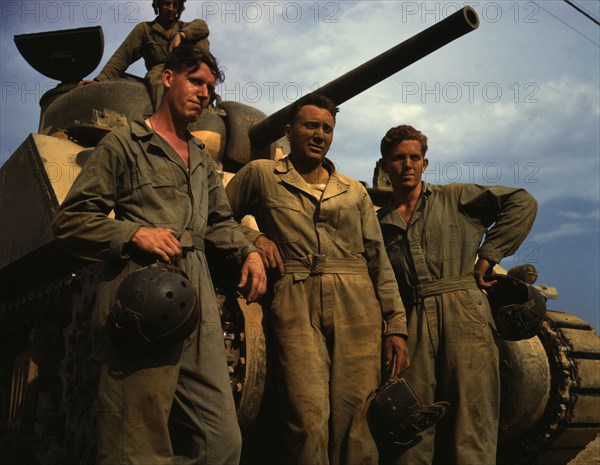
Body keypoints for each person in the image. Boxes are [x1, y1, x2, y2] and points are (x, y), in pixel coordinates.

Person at [53, 45, 266, 465]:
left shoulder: (202, 160)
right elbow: (70, 221)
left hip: (198, 295)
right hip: (145, 290)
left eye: (210, 86)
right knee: (135, 444)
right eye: (195, 80)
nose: (204, 93)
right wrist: (133, 233)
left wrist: (249, 250)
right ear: (168, 78)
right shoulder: (125, 145)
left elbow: (220, 222)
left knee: (223, 442)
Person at [225, 93, 410, 465]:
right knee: (305, 420)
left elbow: (378, 260)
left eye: (327, 128)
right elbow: (216, 217)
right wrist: (253, 237)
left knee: (358, 424)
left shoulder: (354, 190)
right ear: (289, 131)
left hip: (358, 305)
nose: (319, 134)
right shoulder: (262, 175)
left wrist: (396, 326)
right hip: (296, 301)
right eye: (311, 125)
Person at [376, 124, 538, 465]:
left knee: (472, 423)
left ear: (425, 163)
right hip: (413, 319)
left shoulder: (455, 197)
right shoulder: (380, 223)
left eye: (414, 158)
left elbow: (522, 202)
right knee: (411, 424)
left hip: (464, 311)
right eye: (398, 159)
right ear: (385, 164)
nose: (407, 165)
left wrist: (491, 253)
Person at [82, 0, 210, 108]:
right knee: (160, 83)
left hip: (186, 70)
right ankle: (166, 121)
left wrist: (181, 35)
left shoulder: (186, 27)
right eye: (166, 3)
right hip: (160, 71)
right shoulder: (145, 30)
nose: (171, 8)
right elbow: (121, 57)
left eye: (175, 4)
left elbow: (203, 26)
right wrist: (99, 81)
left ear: (180, 8)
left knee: (201, 43)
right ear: (158, 5)